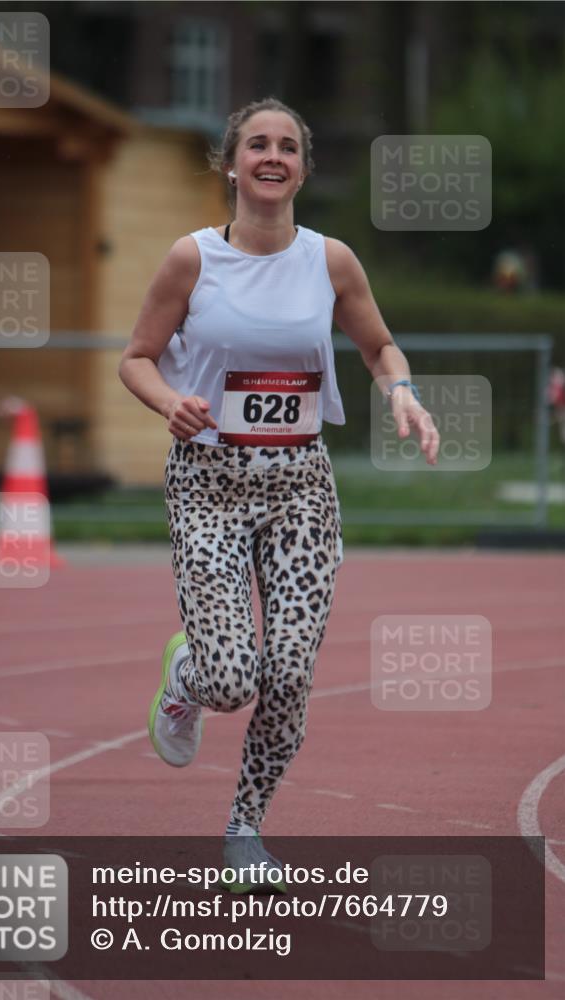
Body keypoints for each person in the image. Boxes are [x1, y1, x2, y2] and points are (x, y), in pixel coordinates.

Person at [118, 97, 439, 893]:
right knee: (232, 681)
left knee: (289, 675)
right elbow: (136, 357)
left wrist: (401, 393)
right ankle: (187, 677)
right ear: (231, 164)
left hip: (299, 487)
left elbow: (379, 346)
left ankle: (244, 829)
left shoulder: (331, 261)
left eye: (286, 147)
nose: (271, 156)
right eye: (256, 144)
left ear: (301, 168)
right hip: (209, 484)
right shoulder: (191, 258)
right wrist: (169, 402)